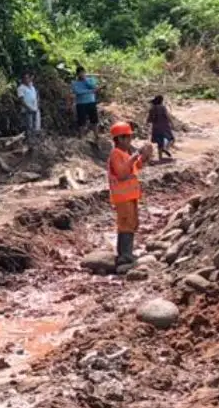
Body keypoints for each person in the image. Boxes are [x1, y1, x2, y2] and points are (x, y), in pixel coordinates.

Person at [107, 122, 144, 267]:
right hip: (122, 197)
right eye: (128, 137)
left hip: (129, 195)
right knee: (126, 224)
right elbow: (122, 174)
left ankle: (127, 253)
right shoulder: (116, 154)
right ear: (120, 139)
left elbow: (135, 167)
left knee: (131, 223)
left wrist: (143, 157)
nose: (130, 140)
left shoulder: (124, 154)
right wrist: (134, 157)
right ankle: (124, 254)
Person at [71, 67, 100, 131]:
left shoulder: (91, 80)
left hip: (91, 102)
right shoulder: (74, 83)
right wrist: (91, 91)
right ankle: (82, 136)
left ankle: (96, 135)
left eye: (83, 72)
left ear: (85, 72)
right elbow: (78, 92)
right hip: (81, 104)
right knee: (82, 122)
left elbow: (93, 86)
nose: (82, 74)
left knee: (94, 121)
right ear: (77, 74)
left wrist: (85, 80)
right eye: (80, 73)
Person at [147, 95, 174, 160]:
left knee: (159, 142)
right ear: (161, 101)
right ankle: (165, 148)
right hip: (164, 126)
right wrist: (172, 123)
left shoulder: (152, 109)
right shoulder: (163, 107)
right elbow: (167, 116)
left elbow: (149, 120)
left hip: (155, 128)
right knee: (171, 139)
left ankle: (160, 158)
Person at [17, 72, 41, 140]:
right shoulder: (21, 88)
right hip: (27, 110)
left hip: (34, 109)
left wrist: (37, 105)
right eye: (25, 78)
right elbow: (21, 100)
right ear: (22, 79)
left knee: (35, 126)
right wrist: (28, 107)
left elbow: (36, 97)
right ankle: (29, 140)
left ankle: (34, 139)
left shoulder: (32, 87)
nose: (27, 79)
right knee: (29, 126)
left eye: (28, 78)